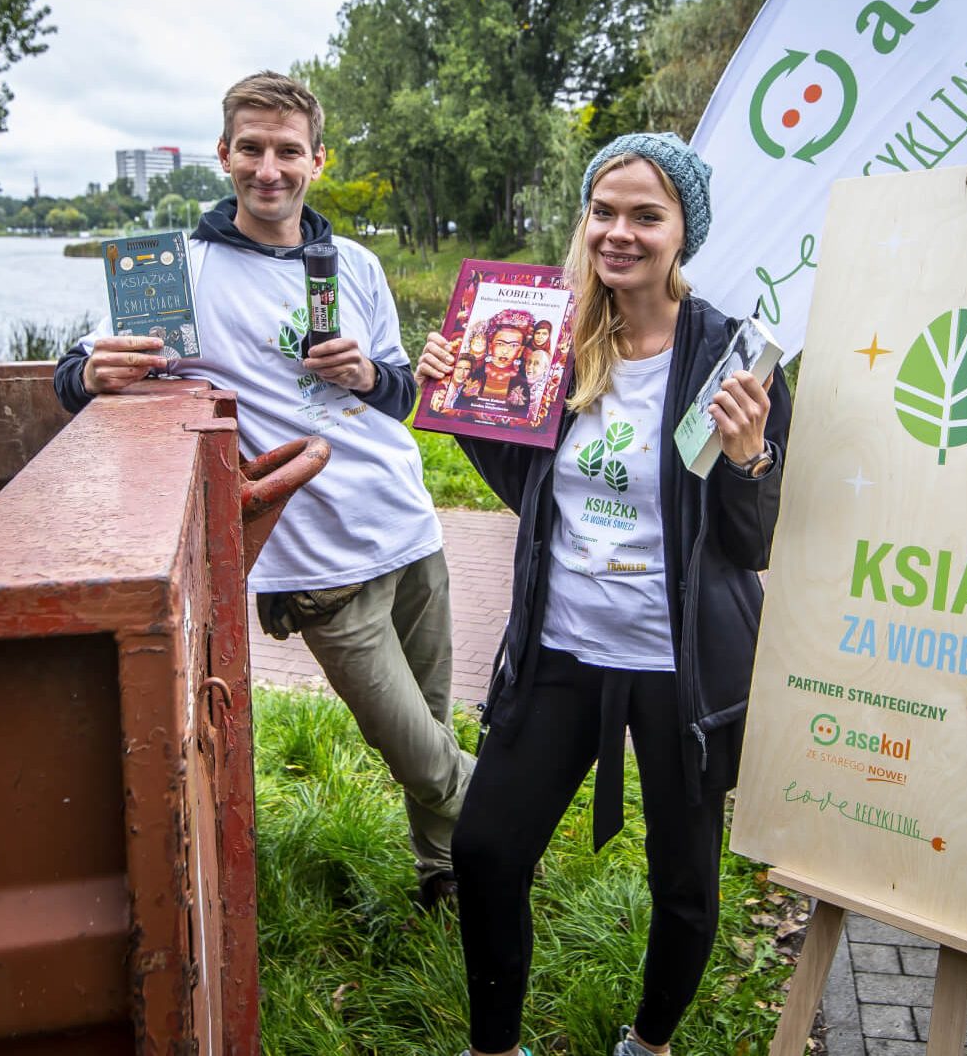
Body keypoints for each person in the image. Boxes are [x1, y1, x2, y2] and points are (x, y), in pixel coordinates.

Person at [57, 71, 474, 909]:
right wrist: (86, 374)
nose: (269, 168)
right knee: (418, 753)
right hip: (315, 559)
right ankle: (513, 817)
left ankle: (447, 878)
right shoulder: (181, 272)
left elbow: (398, 396)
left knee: (432, 726)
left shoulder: (352, 264)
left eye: (288, 151)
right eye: (252, 148)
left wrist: (366, 372)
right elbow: (81, 370)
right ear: (224, 155)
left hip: (408, 526)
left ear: (317, 160)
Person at [413, 132, 791, 1056]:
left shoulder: (732, 357)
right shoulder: (557, 333)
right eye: (603, 211)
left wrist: (750, 460)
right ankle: (496, 1048)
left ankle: (649, 1044)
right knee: (488, 849)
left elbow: (750, 543)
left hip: (680, 666)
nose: (618, 233)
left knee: (686, 885)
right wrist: (468, 404)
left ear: (682, 233)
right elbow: (529, 491)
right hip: (562, 648)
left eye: (645, 215)